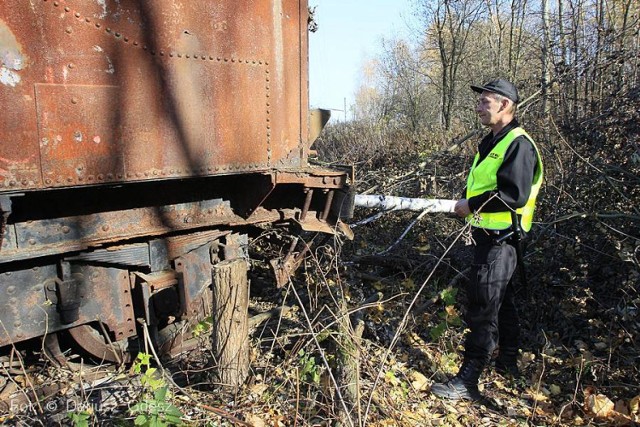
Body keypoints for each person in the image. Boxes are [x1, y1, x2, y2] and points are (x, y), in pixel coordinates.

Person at [431, 78, 544, 401]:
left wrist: (471, 205)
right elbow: (483, 184)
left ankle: (468, 380)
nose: (479, 106)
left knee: (483, 307)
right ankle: (508, 363)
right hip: (489, 238)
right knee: (502, 303)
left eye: (486, 101)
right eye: (479, 101)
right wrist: (467, 202)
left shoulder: (518, 144)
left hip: (502, 241)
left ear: (505, 105)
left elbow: (513, 195)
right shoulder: (492, 142)